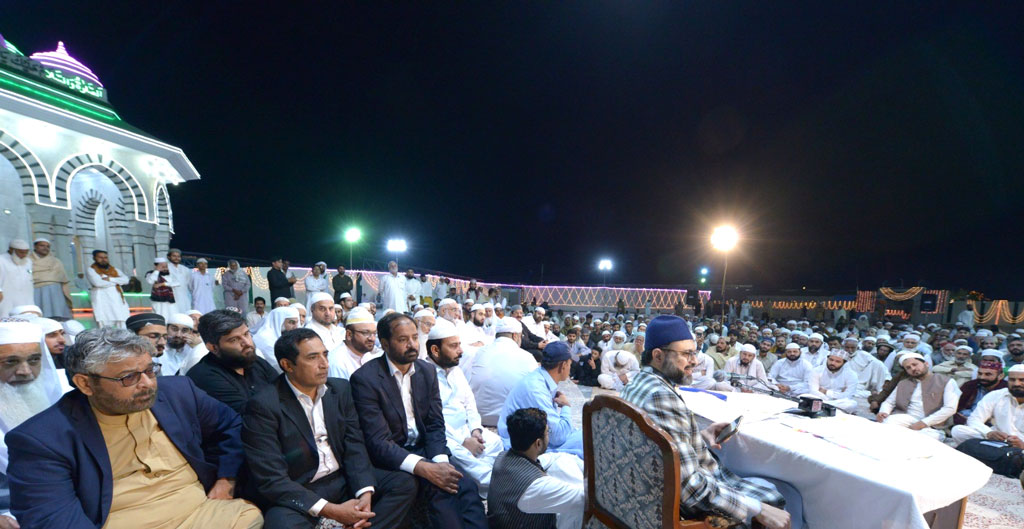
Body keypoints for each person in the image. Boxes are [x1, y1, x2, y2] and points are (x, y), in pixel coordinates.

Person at [5, 327, 262, 528]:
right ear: (85, 383)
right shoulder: (42, 439)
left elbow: (233, 425)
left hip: (208, 514)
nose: (148, 384)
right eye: (129, 377)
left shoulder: (177, 393)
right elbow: (54, 519)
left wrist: (226, 479)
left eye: (150, 370)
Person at [620, 316, 791, 529]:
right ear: (658, 356)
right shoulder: (660, 396)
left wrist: (699, 437)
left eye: (694, 352)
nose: (694, 361)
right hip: (679, 502)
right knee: (780, 497)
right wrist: (758, 509)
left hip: (647, 486)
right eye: (686, 354)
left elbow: (659, 445)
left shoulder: (637, 382)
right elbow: (691, 488)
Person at [241, 328, 415, 528]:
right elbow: (271, 479)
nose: (324, 364)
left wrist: (364, 493)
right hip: (301, 485)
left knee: (404, 483)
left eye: (325, 354)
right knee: (280, 523)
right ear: (287, 365)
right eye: (313, 357)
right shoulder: (264, 405)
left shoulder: (339, 389)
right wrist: (334, 512)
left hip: (341, 478)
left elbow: (354, 444)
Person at [349, 312, 487, 528]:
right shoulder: (365, 379)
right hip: (394, 456)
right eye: (403, 340)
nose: (412, 344)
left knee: (466, 486)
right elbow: (378, 442)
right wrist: (426, 468)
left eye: (414, 337)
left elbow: (434, 423)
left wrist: (440, 463)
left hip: (424, 449)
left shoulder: (427, 371)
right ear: (385, 344)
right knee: (440, 494)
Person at [424, 320, 504, 498]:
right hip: (447, 436)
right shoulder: (423, 375)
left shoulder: (456, 370)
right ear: (435, 350)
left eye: (459, 344)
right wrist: (463, 441)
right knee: (460, 455)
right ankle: (495, 487)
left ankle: (484, 479)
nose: (460, 350)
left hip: (467, 429)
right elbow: (432, 420)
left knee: (495, 443)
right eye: (454, 346)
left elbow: (470, 402)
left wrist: (475, 430)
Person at [488, 408, 585, 529]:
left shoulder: (502, 457)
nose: (549, 436)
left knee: (563, 460)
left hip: (510, 518)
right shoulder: (534, 486)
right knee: (582, 512)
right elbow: (584, 498)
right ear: (538, 443)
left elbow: (553, 457)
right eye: (547, 432)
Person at [498, 342, 583, 458]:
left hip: (534, 438)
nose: (570, 367)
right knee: (585, 445)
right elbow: (558, 437)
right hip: (522, 447)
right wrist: (566, 406)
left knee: (585, 437)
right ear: (563, 365)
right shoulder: (536, 389)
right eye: (570, 364)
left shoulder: (540, 378)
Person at [187, 309, 278, 414]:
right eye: (234, 340)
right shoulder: (204, 376)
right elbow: (252, 416)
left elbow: (286, 394)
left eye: (246, 334)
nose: (247, 343)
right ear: (213, 347)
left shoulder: (255, 361)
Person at [469, 317, 538, 426]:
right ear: (515, 336)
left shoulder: (479, 352)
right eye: (521, 336)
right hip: (512, 421)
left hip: (479, 418)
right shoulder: (527, 357)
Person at [877, 353, 960, 441]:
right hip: (905, 418)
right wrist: (884, 411)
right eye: (908, 368)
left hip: (932, 425)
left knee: (924, 439)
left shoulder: (946, 381)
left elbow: (950, 408)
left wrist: (923, 423)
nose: (912, 368)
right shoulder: (903, 383)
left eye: (915, 364)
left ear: (926, 364)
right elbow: (889, 402)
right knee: (887, 424)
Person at [950, 364, 1024, 445]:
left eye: (1022, 380)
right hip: (999, 440)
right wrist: (989, 433)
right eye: (1012, 380)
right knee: (958, 431)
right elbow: (974, 420)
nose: (1016, 384)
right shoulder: (996, 395)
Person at [327, 308, 383, 380]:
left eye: (374, 333)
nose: (372, 338)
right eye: (366, 333)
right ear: (349, 334)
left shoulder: (367, 355)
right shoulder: (337, 362)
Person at [952, 358, 1007, 425]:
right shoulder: (970, 385)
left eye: (988, 374)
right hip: (965, 420)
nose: (982, 377)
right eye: (980, 373)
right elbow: (955, 406)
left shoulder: (1006, 389)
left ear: (1000, 376)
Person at [86, 250, 130, 328]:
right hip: (103, 302)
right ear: (94, 258)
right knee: (104, 325)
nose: (103, 259)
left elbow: (126, 280)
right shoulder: (91, 270)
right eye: (100, 257)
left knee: (122, 324)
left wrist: (110, 279)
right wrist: (118, 282)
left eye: (105, 257)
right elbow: (98, 283)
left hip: (118, 301)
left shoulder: (114, 270)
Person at [29, 238, 72, 319]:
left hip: (56, 294)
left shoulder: (56, 261)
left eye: (48, 246)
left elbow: (64, 280)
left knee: (58, 317)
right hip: (36, 291)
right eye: (42, 245)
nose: (45, 248)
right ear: (35, 247)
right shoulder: (28, 261)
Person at [0, 240, 33, 319]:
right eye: (21, 252)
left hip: (26, 297)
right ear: (11, 250)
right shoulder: (1, 260)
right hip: (6, 297)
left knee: (26, 317)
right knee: (6, 317)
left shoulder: (28, 261)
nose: (24, 255)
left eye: (26, 252)